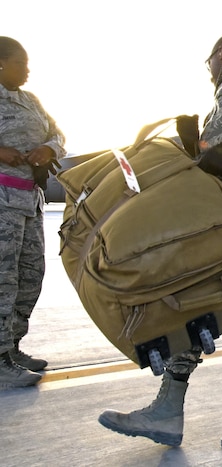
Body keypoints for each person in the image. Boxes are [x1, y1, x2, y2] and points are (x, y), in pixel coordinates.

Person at [98, 33, 222, 449]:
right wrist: (197, 144)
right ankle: (167, 410)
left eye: (208, 60)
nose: (208, 68)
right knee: (198, 296)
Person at [0, 37, 65, 388]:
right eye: (20, 63)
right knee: (2, 281)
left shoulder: (30, 101)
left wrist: (46, 148)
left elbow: (58, 134)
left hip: (29, 203)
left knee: (29, 277)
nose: (27, 70)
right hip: (1, 201)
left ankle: (11, 348)